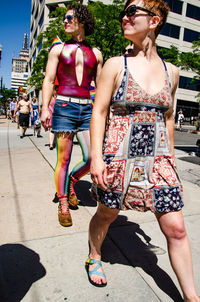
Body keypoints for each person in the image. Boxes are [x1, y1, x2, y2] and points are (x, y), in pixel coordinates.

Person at [86, 0, 200, 301]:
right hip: (119, 156)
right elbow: (98, 112)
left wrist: (171, 158)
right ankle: (94, 254)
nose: (124, 17)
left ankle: (191, 297)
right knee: (107, 214)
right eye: (123, 12)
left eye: (132, 11)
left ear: (154, 20)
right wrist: (96, 158)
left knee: (176, 229)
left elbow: (169, 117)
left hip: (159, 159)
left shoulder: (171, 71)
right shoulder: (115, 65)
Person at [41, 4, 103, 227]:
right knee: (63, 160)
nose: (65, 21)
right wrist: (44, 108)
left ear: (82, 21)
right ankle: (64, 203)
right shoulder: (57, 49)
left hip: (87, 109)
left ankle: (71, 182)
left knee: (90, 158)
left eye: (69, 18)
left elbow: (101, 86)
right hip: (64, 108)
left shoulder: (96, 53)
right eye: (65, 18)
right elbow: (48, 80)